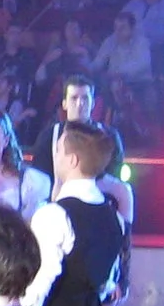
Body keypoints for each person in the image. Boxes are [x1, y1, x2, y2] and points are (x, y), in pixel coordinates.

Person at [22, 120, 127, 306]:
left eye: (58, 150)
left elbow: (40, 283)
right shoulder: (114, 217)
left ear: (71, 159)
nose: (54, 156)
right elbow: (105, 283)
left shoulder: (54, 215)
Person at [35, 76, 134, 229]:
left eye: (85, 98)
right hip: (59, 212)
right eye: (74, 98)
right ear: (64, 103)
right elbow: (39, 177)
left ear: (93, 103)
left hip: (99, 211)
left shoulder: (109, 136)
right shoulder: (49, 136)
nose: (80, 104)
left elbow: (115, 174)